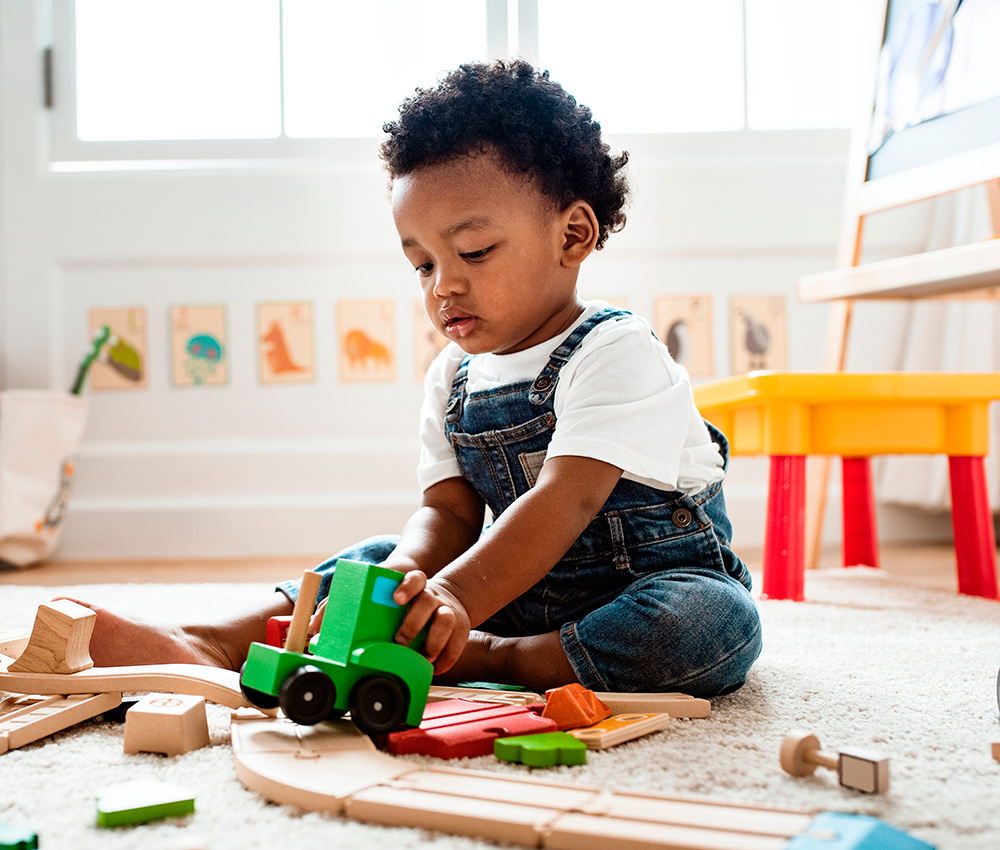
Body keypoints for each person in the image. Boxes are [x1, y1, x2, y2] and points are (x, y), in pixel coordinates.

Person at [74, 60, 761, 697]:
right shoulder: (452, 376)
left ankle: (494, 660)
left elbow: (565, 502)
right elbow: (450, 515)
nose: (445, 285)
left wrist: (458, 600)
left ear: (572, 235)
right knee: (373, 561)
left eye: (474, 251)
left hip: (642, 586)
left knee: (708, 624)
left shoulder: (616, 351)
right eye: (423, 264)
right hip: (510, 588)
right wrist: (403, 581)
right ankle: (213, 643)